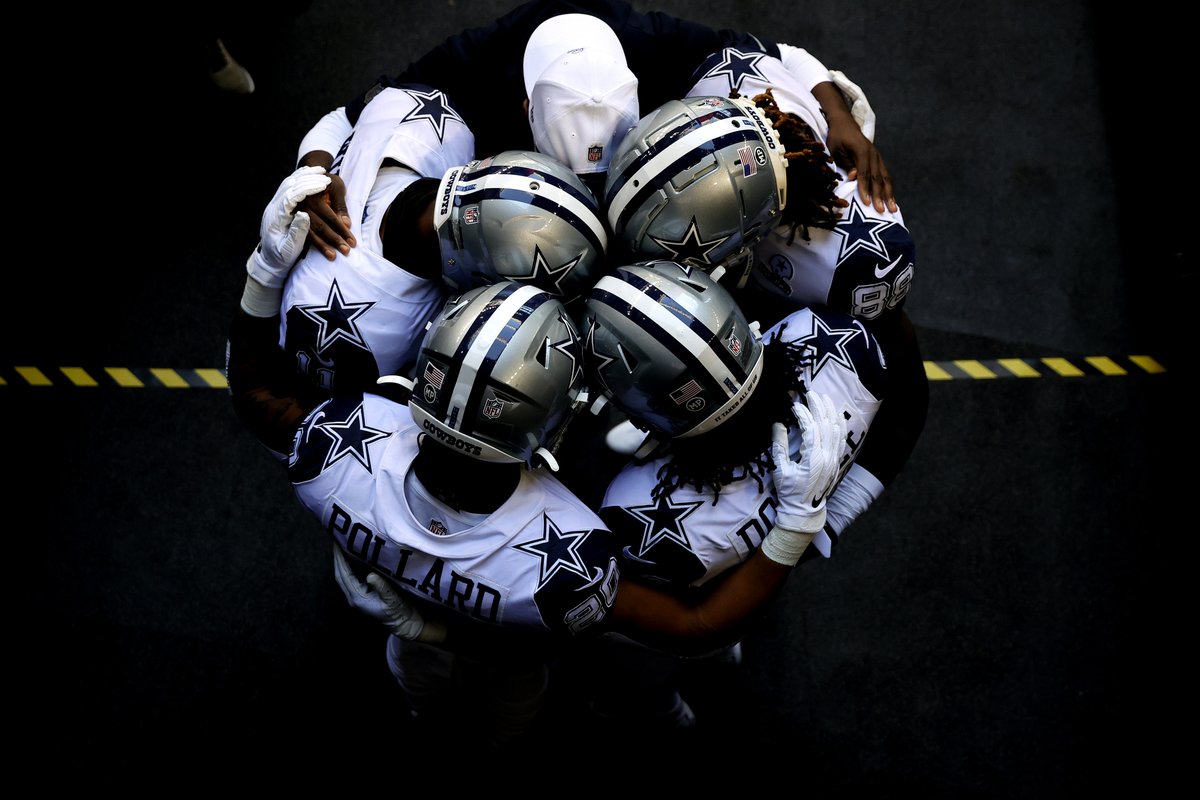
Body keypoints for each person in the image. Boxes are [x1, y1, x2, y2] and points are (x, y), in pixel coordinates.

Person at [227, 183, 846, 746]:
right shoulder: (569, 559)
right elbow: (697, 627)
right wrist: (795, 522)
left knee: (420, 687)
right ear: (554, 429)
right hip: (515, 656)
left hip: (408, 633)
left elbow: (254, 397)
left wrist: (265, 270)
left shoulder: (331, 451)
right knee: (515, 701)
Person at [292, 1, 894, 260]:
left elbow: (777, 52)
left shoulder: (649, 38)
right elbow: (345, 118)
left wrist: (836, 112)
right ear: (522, 105)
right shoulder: (477, 58)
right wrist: (314, 176)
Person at [576, 258, 884, 728]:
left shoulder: (635, 512)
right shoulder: (835, 340)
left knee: (638, 664)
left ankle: (646, 706)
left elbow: (688, 628)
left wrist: (799, 528)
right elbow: (906, 413)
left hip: (696, 608)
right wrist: (820, 520)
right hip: (754, 575)